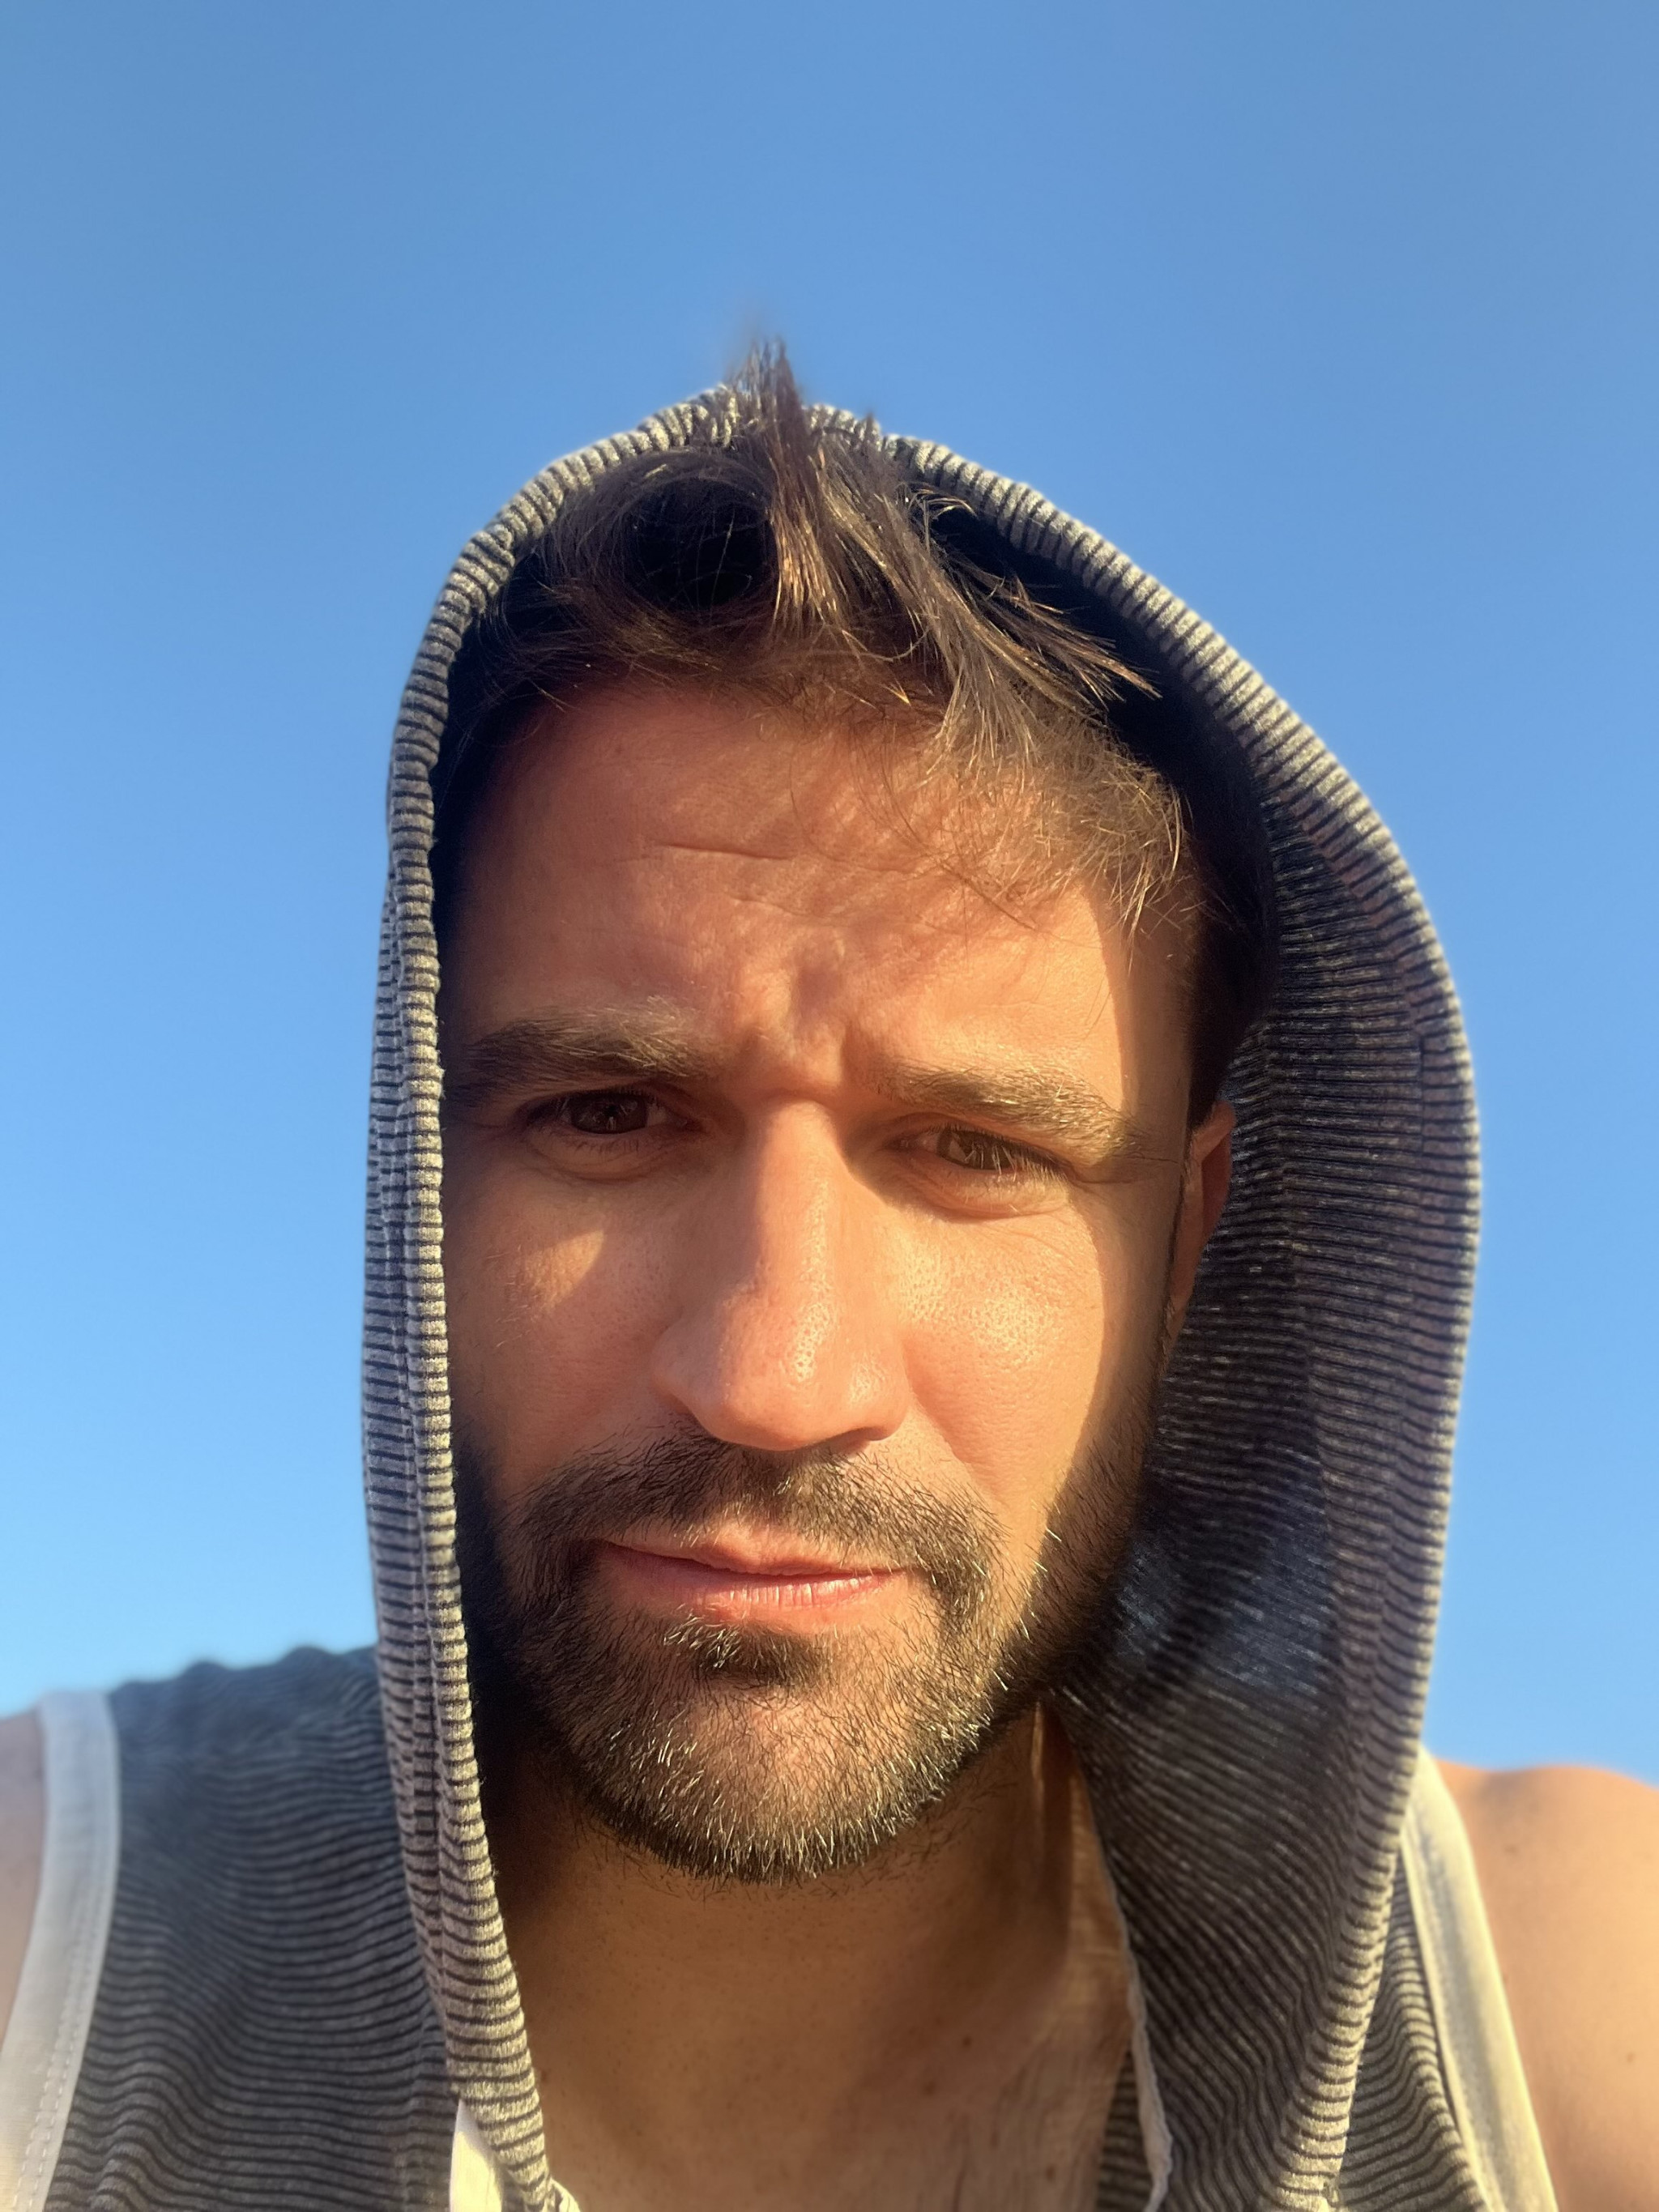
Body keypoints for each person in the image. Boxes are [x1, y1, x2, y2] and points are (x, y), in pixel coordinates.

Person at [0, 352, 1653, 2212]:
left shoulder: (1559, 2007)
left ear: (1185, 1241)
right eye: (608, 1114)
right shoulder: (57, 1949)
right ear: (422, 1184)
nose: (774, 1378)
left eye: (975, 1150)